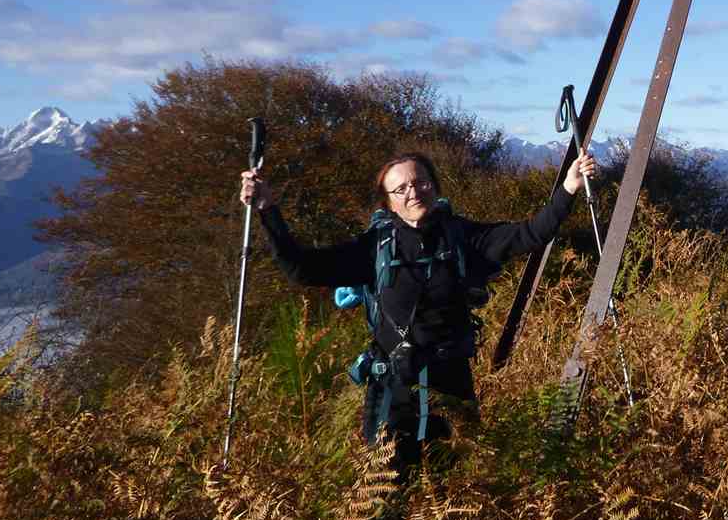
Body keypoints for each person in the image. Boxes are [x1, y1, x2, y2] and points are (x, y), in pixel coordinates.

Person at [239, 148, 595, 463]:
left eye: (421, 182)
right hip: (393, 385)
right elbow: (302, 268)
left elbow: (530, 233)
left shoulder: (462, 237)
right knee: (388, 492)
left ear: (434, 186)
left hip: (451, 381)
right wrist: (269, 210)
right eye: (401, 189)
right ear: (388, 201)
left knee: (455, 485)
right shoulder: (374, 247)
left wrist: (568, 188)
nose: (413, 192)